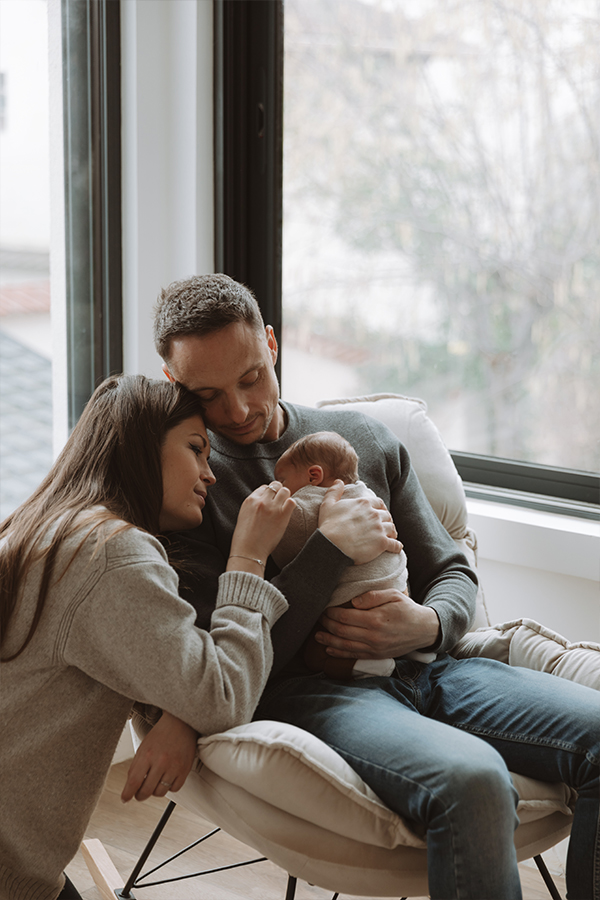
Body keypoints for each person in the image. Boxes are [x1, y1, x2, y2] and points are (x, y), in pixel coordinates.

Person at [153, 273, 600, 900]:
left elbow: (450, 569)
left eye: (252, 377)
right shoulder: (187, 484)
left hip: (433, 665)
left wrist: (429, 623)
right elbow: (228, 666)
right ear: (173, 383)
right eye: (209, 394)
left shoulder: (364, 440)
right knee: (474, 781)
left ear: (272, 344)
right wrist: (329, 548)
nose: (239, 411)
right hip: (318, 696)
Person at [0, 374, 299, 900]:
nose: (209, 473)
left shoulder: (43, 528)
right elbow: (222, 696)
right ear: (140, 448)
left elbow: (154, 663)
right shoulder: (111, 553)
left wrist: (180, 715)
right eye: (195, 449)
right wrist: (249, 557)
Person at [271, 430, 435, 678]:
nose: (278, 486)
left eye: (282, 480)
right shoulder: (366, 494)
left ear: (314, 476)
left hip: (355, 604)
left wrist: (432, 625)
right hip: (399, 589)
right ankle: (412, 648)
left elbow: (281, 553)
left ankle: (369, 665)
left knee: (316, 656)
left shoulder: (301, 506)